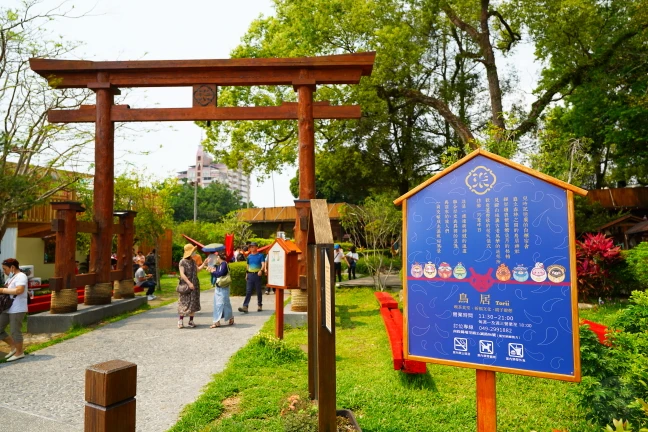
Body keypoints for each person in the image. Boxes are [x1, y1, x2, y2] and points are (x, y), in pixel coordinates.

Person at [1, 258, 28, 362]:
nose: (4, 271)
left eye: (5, 269)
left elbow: (19, 290)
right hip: (7, 308)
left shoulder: (21, 276)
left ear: (12, 267)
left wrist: (2, 290)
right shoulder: (11, 277)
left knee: (15, 330)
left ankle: (19, 352)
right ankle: (13, 346)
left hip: (17, 308)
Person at [177, 244, 202, 328]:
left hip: (194, 284)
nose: (194, 253)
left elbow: (197, 270)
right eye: (193, 251)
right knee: (184, 302)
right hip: (186, 285)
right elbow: (182, 274)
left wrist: (204, 263)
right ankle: (180, 321)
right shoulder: (182, 261)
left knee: (193, 303)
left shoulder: (193, 261)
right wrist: (189, 283)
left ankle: (191, 321)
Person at [238, 242, 266, 313]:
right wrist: (246, 274)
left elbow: (263, 264)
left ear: (257, 247)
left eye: (253, 246)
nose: (251, 248)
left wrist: (261, 270)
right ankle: (245, 306)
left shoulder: (261, 255)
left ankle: (259, 305)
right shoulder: (249, 256)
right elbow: (248, 266)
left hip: (257, 275)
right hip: (250, 275)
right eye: (250, 247)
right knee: (248, 291)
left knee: (258, 291)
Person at [210, 251, 234, 328]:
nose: (216, 258)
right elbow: (217, 273)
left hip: (223, 287)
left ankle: (229, 317)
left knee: (224, 303)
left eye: (217, 257)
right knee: (218, 304)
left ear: (219, 257)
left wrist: (213, 272)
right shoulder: (220, 265)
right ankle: (217, 321)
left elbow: (219, 274)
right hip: (219, 287)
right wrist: (213, 270)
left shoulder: (224, 264)